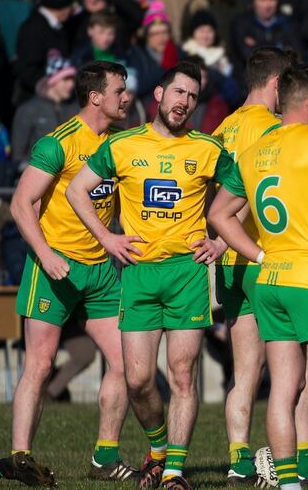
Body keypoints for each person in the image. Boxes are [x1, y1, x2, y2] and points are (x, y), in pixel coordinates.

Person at [66, 60, 232, 490]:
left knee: (182, 375)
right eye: (179, 93)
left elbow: (244, 192)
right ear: (158, 95)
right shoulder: (121, 145)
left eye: (193, 97)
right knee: (139, 380)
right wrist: (106, 237)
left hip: (187, 273)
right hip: (139, 274)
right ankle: (158, 450)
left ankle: (174, 472)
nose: (185, 103)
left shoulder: (208, 148)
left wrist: (221, 242)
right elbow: (75, 189)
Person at [209, 62, 308, 490]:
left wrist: (258, 254)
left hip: (271, 278)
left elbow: (219, 214)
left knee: (283, 388)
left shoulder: (256, 148)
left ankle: (288, 484)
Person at [0, 62, 132, 488]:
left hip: (101, 271)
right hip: (54, 268)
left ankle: (105, 456)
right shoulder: (59, 143)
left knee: (127, 363)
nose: (126, 97)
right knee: (41, 364)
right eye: (119, 90)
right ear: (96, 97)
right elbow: (20, 204)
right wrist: (46, 255)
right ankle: (19, 457)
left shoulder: (119, 143)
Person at [210, 47, 296, 486]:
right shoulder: (271, 127)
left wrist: (215, 238)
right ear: (278, 84)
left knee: (245, 369)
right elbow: (244, 193)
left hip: (227, 264)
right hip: (260, 256)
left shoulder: (224, 125)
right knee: (290, 368)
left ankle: (239, 457)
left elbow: (217, 192)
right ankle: (291, 458)